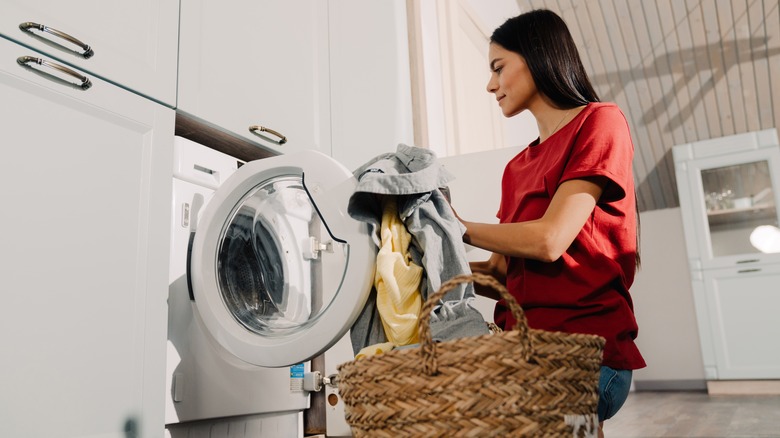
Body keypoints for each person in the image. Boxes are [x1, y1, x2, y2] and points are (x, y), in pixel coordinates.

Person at [455, 9, 646, 437]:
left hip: (584, 356)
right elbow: (500, 276)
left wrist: (458, 228)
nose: (490, 85)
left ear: (537, 57)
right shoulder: (516, 167)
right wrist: (426, 259)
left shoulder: (600, 121)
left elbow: (550, 240)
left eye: (498, 68)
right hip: (521, 353)